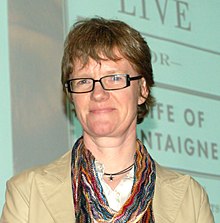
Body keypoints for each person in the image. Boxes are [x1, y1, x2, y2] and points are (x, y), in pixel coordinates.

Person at [0, 17, 214, 223]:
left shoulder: (190, 197)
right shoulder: (27, 192)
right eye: (84, 81)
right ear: (72, 96)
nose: (98, 93)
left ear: (142, 90)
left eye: (114, 78)